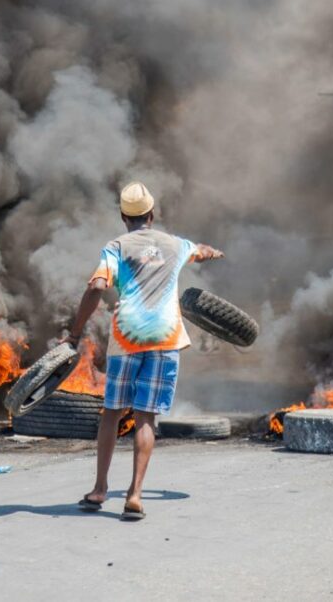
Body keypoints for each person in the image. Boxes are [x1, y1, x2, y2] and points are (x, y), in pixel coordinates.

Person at [64, 181, 224, 521]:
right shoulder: (175, 245)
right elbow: (201, 249)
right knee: (145, 417)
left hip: (127, 340)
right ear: (152, 214)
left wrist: (75, 332)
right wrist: (212, 252)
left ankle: (100, 489)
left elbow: (97, 287)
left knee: (111, 413)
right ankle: (135, 495)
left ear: (124, 216)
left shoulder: (116, 247)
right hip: (165, 340)